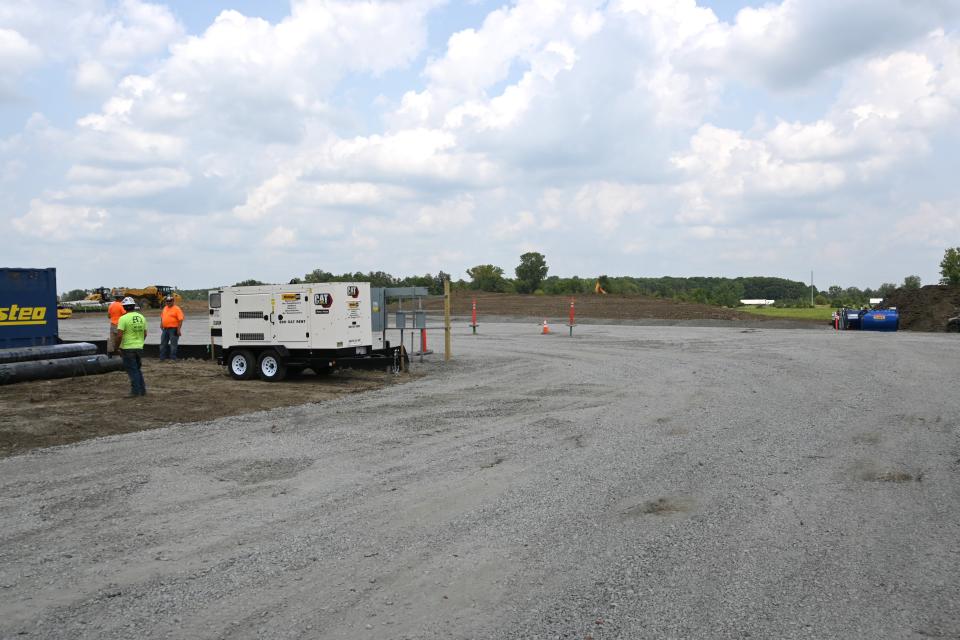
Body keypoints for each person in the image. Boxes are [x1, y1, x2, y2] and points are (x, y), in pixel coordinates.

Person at [115, 296, 147, 397]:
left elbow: (119, 335)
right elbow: (145, 333)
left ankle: (135, 391)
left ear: (124, 307)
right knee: (137, 369)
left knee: (132, 370)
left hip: (128, 348)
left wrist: (117, 347)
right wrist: (139, 342)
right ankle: (142, 390)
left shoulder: (123, 319)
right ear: (134, 306)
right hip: (139, 347)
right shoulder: (141, 317)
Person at [159, 295, 184, 361]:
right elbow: (162, 317)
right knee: (163, 344)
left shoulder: (177, 309)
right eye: (167, 301)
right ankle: (162, 358)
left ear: (173, 301)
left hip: (174, 329)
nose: (168, 302)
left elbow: (180, 320)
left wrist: (178, 330)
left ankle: (173, 358)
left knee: (173, 345)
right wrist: (161, 323)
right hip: (165, 329)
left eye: (170, 301)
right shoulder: (165, 308)